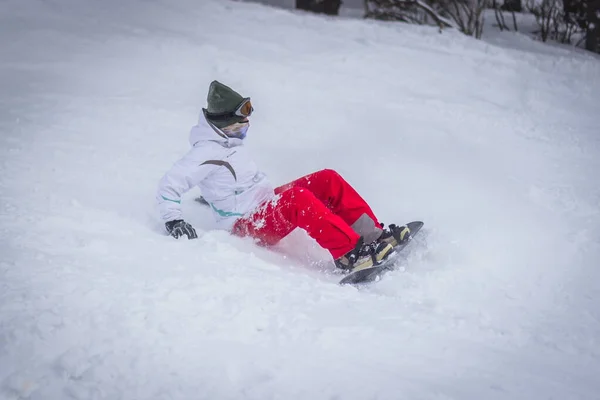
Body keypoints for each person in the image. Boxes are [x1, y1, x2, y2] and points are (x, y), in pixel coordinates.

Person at [156, 81, 411, 273]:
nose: (243, 132)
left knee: (326, 178)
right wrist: (173, 221)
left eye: (244, 126)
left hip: (263, 204)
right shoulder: (205, 151)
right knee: (297, 199)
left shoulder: (227, 140)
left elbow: (224, 181)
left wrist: (211, 198)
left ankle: (372, 236)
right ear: (220, 125)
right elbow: (170, 186)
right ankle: (351, 255)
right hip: (246, 225)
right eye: (238, 127)